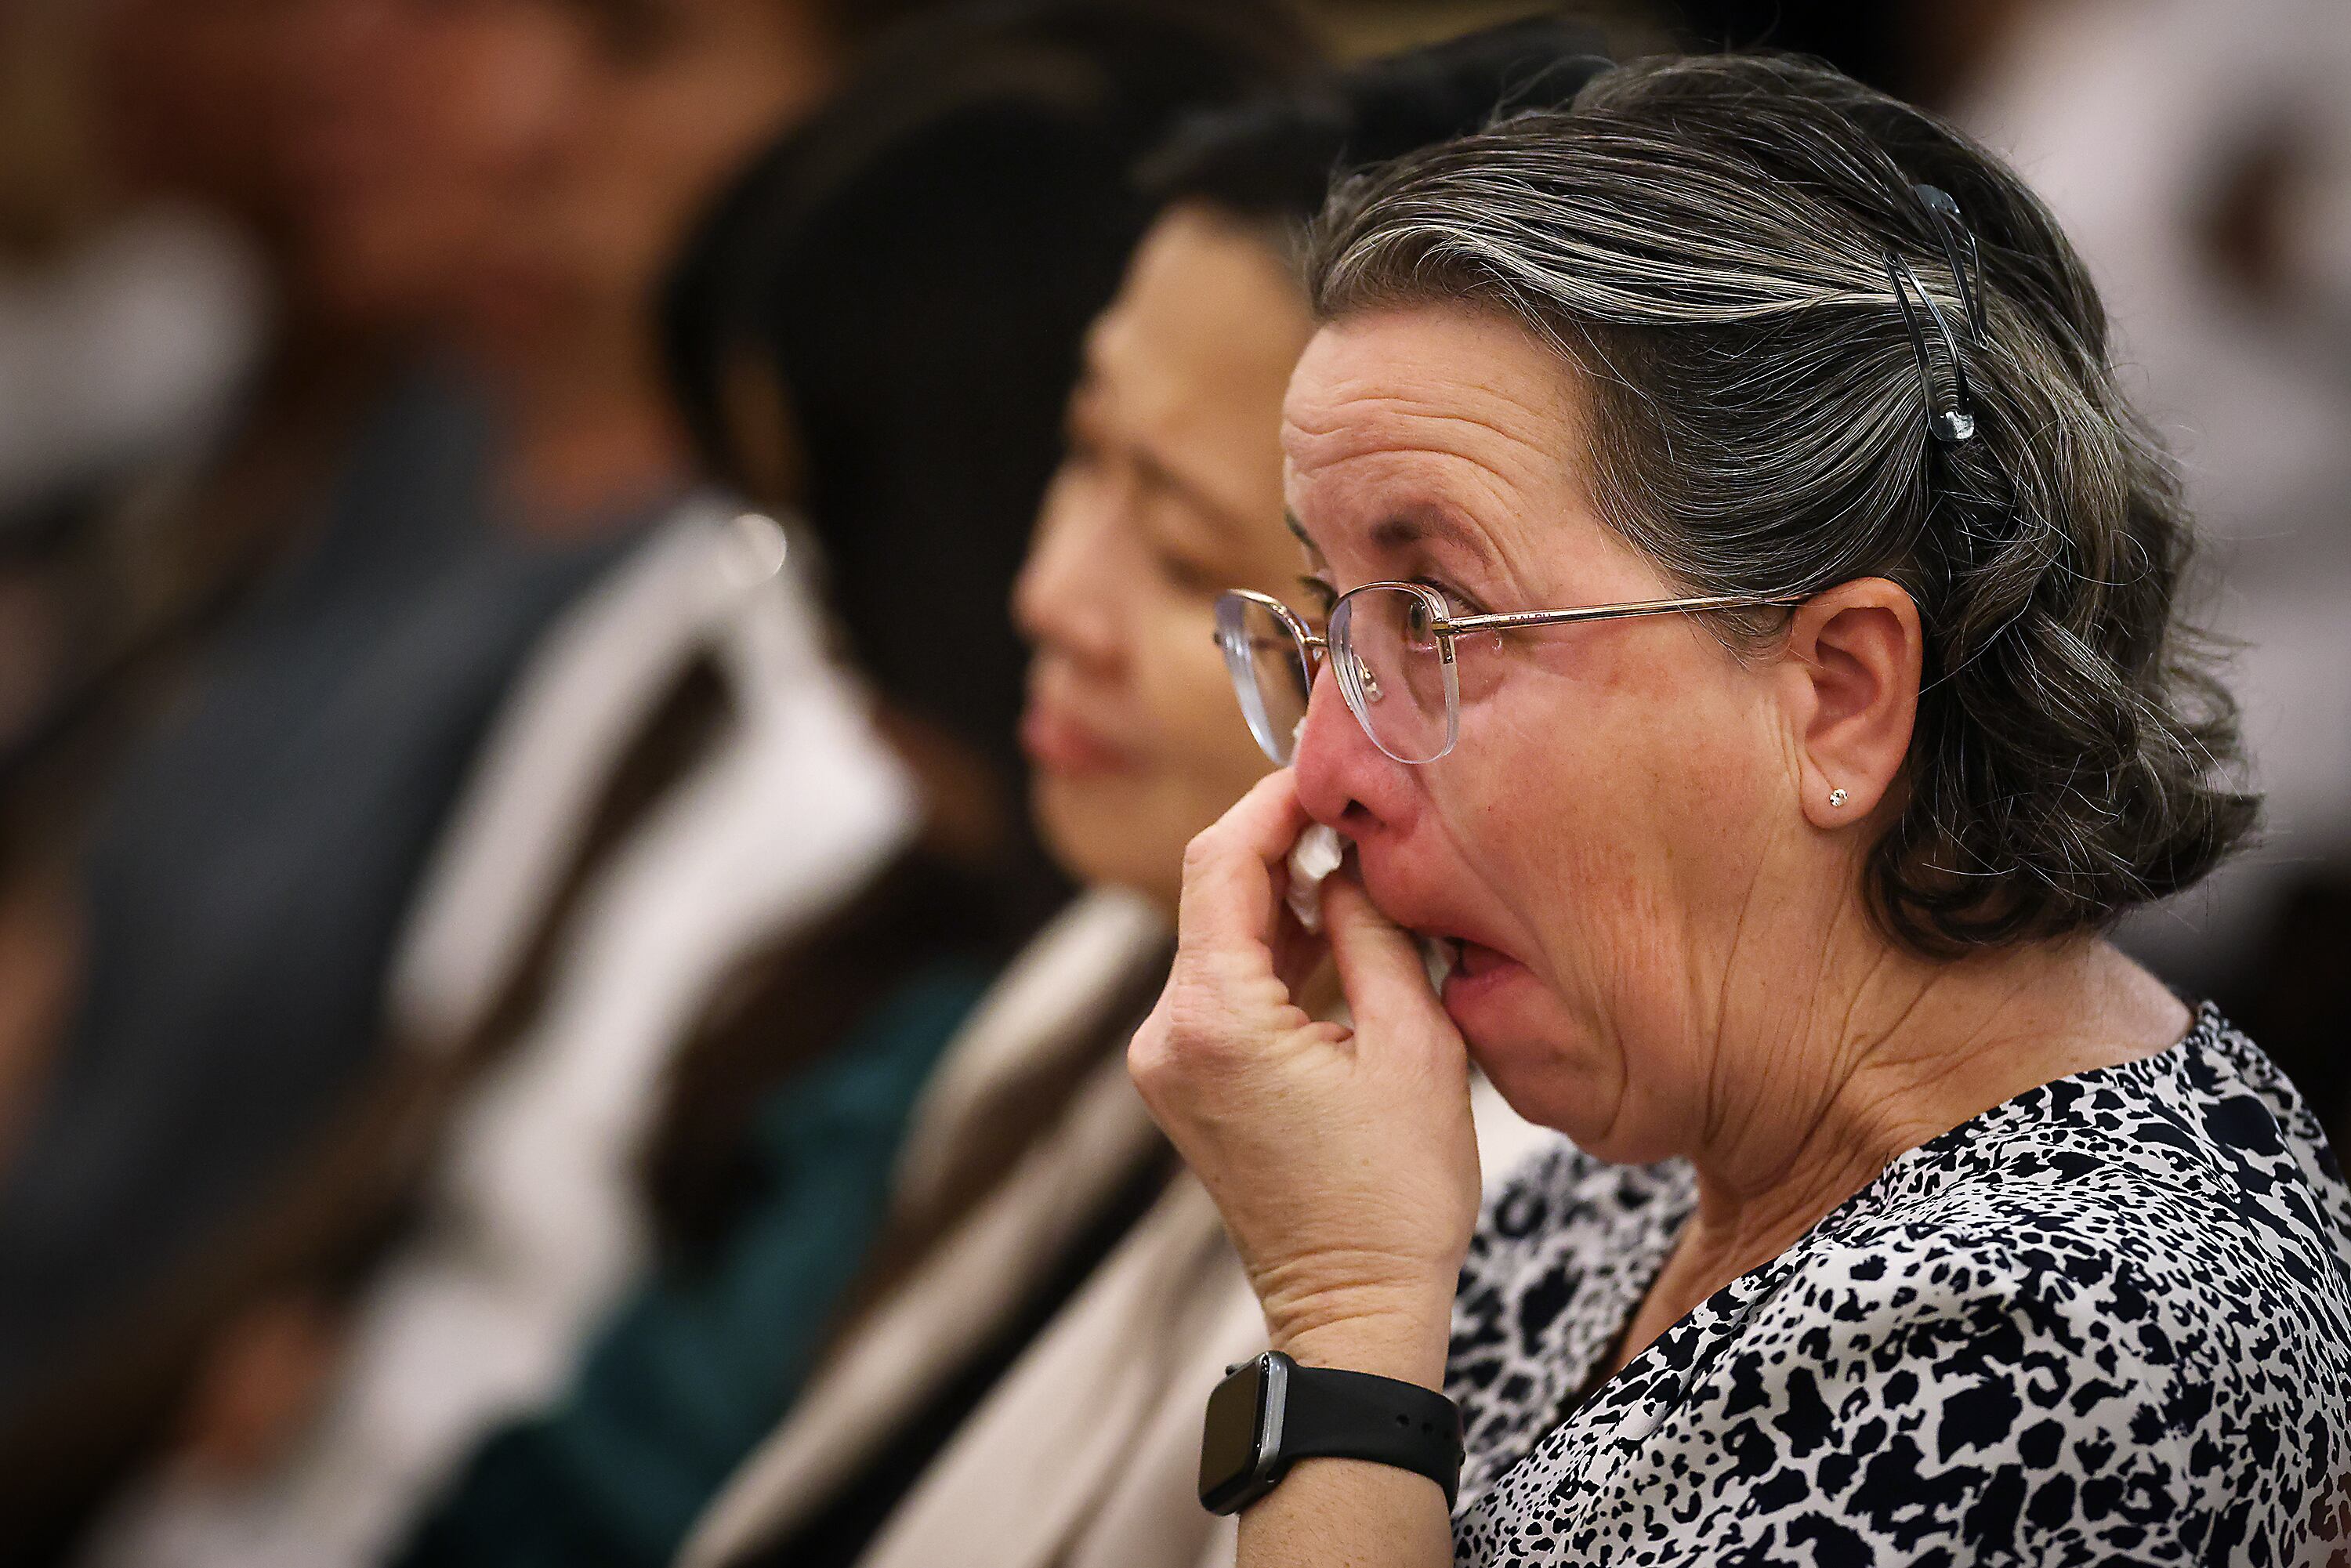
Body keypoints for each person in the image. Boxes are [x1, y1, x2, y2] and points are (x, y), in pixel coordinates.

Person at [59, 6, 1300, 1567]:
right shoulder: (689, 641)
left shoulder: (1067, 982)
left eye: (1180, 540)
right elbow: (441, 1097)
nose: (1053, 593)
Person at [1136, 53, 2351, 1567]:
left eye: (1435, 625)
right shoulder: (1634, 1169)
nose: (1321, 771)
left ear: (1839, 691)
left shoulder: (2087, 1342)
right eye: (1333, 621)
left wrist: (1345, 1323)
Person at [668, 25, 1606, 1568]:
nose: (1044, 591)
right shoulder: (1106, 966)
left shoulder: (1504, 1215)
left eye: (1179, 555)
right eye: (1080, 454)